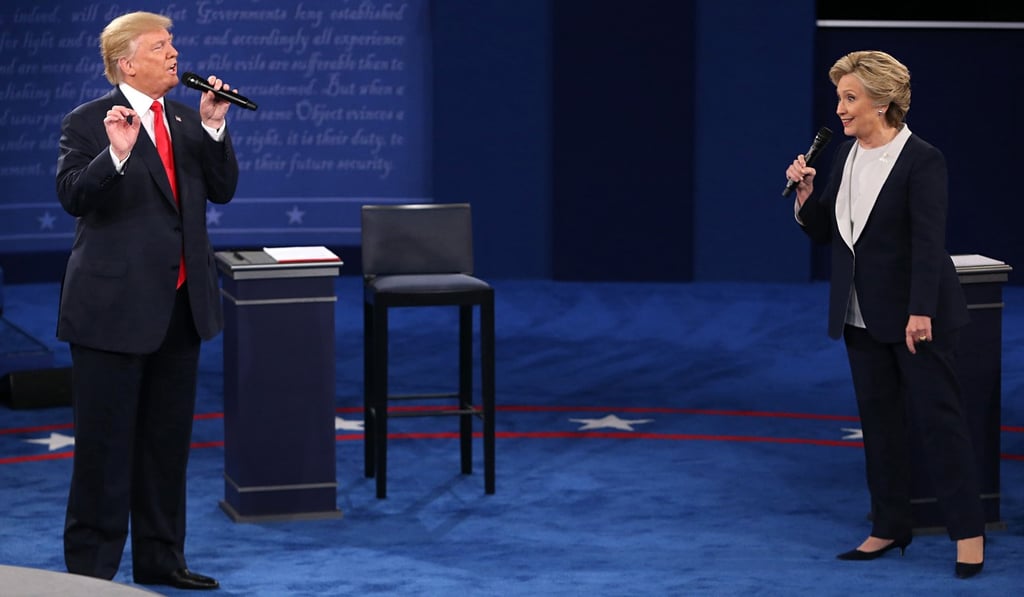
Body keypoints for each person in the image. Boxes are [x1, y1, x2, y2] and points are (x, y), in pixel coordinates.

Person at [783, 50, 986, 579]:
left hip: (917, 319)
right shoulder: (845, 155)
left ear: (882, 101)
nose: (840, 109)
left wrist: (921, 311)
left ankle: (969, 533)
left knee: (940, 424)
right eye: (839, 97)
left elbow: (928, 241)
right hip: (860, 315)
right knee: (880, 425)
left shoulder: (922, 159)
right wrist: (806, 196)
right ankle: (890, 525)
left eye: (850, 98)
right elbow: (828, 231)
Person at [55, 11, 239, 591]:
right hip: (111, 312)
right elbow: (73, 197)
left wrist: (214, 127)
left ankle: (162, 559)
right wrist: (114, 156)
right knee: (104, 451)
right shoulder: (89, 121)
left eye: (172, 43)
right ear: (127, 63)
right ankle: (92, 574)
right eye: (160, 46)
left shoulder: (186, 118)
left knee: (165, 448)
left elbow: (223, 190)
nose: (173, 53)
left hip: (180, 309)